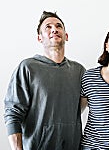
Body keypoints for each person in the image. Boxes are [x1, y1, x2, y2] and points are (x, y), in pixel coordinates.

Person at [4, 11, 86, 150]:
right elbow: (13, 114)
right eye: (48, 27)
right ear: (39, 38)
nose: (54, 29)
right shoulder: (28, 68)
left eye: (59, 26)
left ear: (66, 36)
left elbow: (82, 106)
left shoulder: (79, 71)